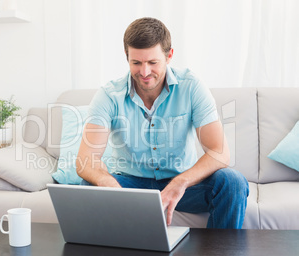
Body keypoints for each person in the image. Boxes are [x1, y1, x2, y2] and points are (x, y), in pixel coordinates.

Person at [76, 17, 249, 229]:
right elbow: (85, 159)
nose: (145, 72)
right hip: (130, 185)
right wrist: (107, 183)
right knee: (89, 186)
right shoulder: (109, 95)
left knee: (232, 182)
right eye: (136, 63)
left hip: (183, 186)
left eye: (153, 62)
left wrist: (180, 182)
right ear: (127, 57)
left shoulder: (192, 87)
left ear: (169, 56)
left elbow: (219, 152)